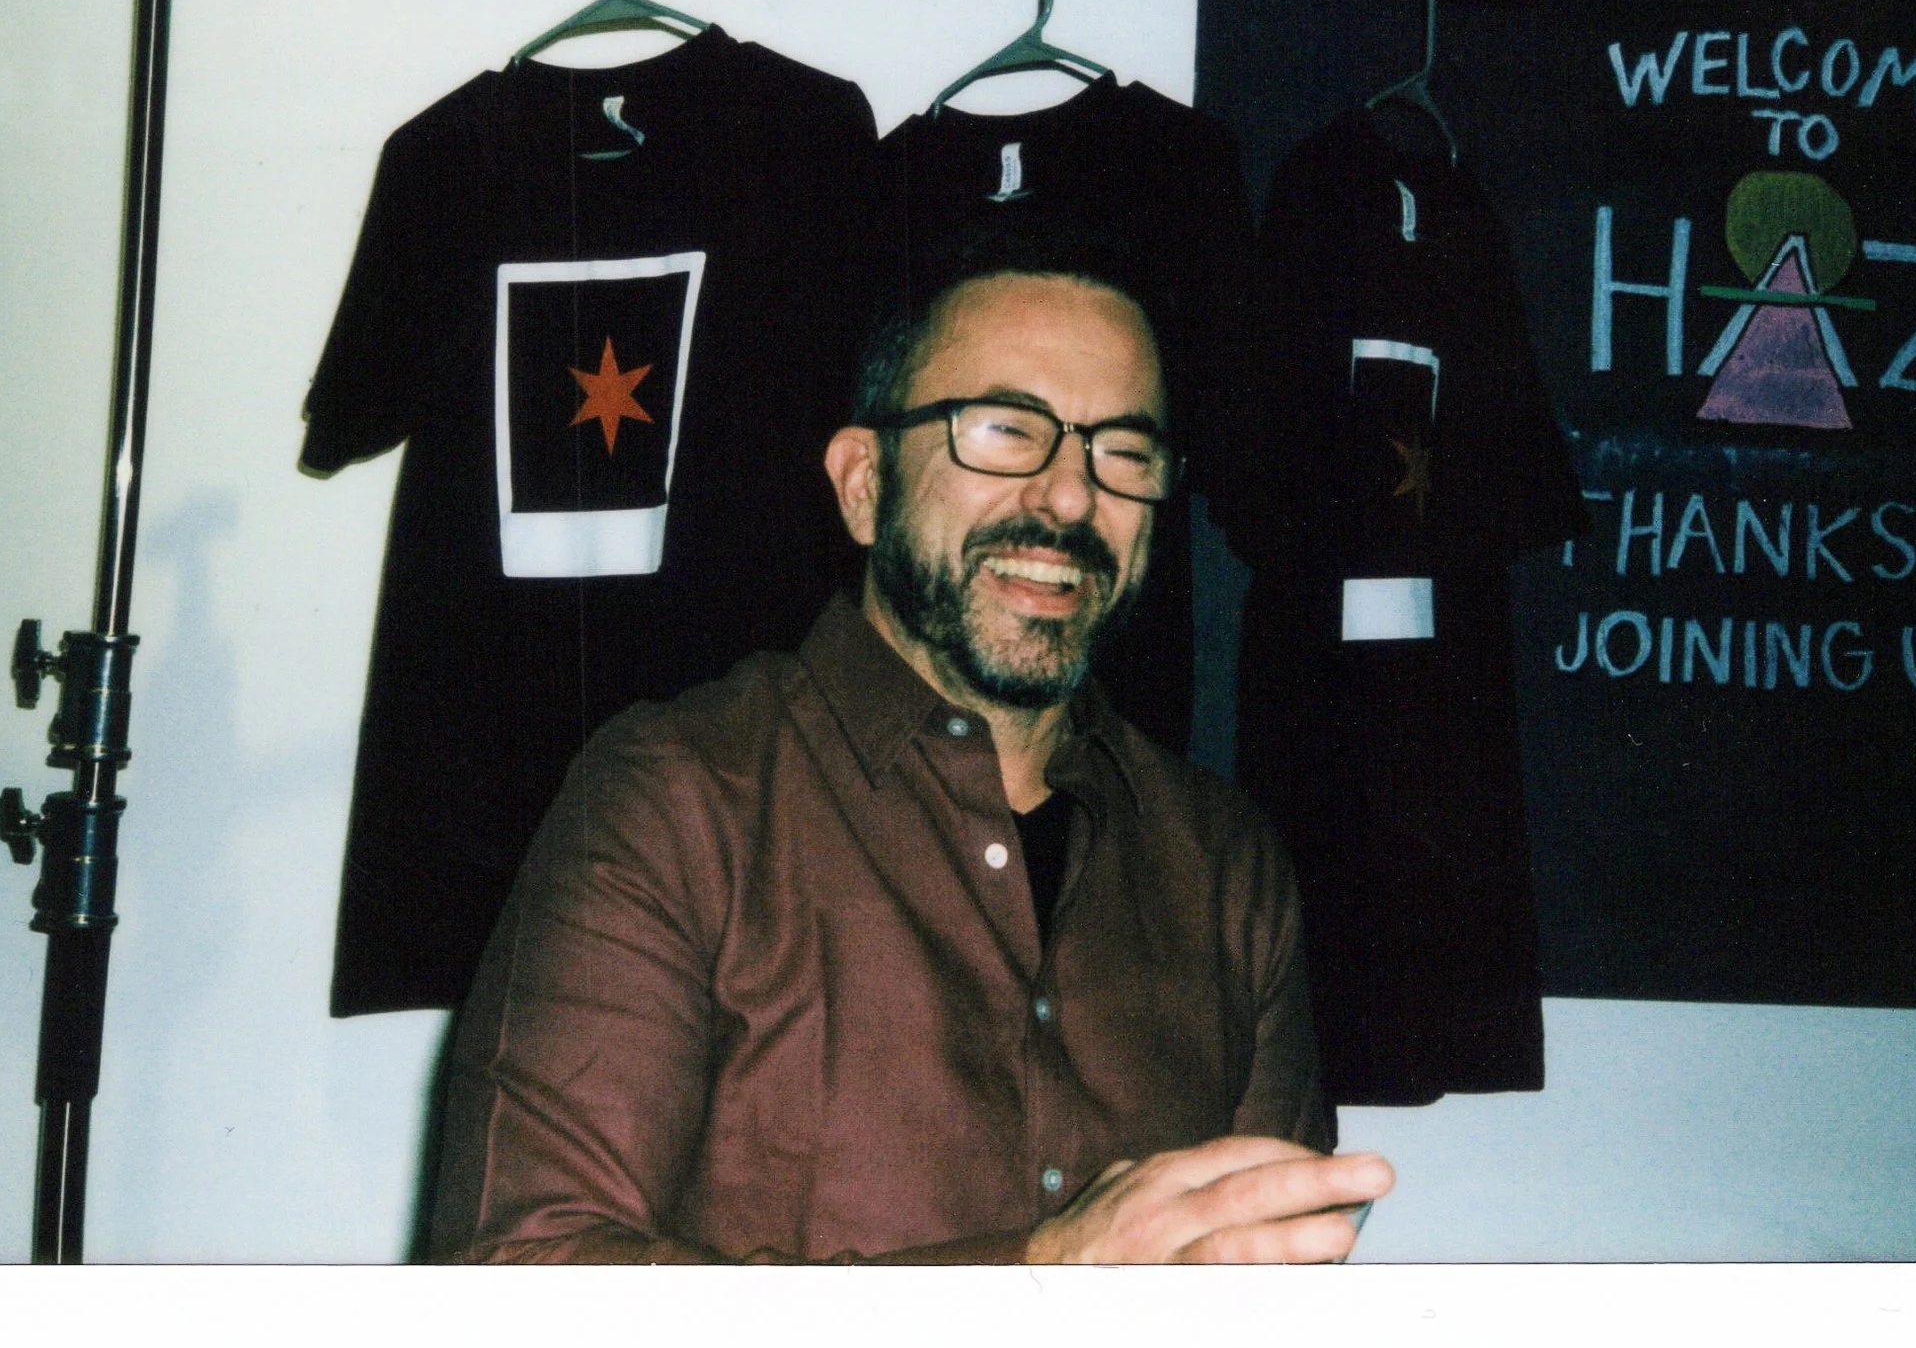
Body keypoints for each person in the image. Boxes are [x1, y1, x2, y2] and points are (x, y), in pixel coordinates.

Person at [423, 224, 1395, 1264]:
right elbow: (515, 1278)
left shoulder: (1226, 865)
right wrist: (1036, 1279)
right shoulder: (676, 798)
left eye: (1123, 452)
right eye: (1003, 431)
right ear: (861, 484)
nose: (1070, 497)